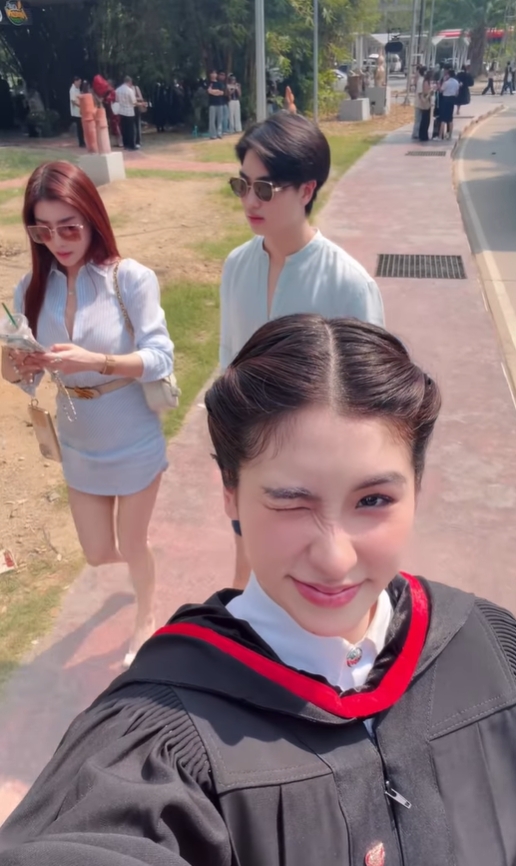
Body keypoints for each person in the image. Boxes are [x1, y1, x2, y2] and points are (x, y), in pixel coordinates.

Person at [5, 314, 516, 866]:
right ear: (230, 493)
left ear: (417, 487)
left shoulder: (488, 645)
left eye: (373, 501)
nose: (335, 558)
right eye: (291, 502)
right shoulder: (156, 736)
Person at [1, 162, 174, 667]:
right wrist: (16, 363)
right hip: (79, 438)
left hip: (133, 432)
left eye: (69, 227)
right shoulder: (31, 289)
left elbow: (160, 357)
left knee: (131, 542)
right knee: (98, 552)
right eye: (43, 230)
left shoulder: (130, 278)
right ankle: (142, 561)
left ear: (92, 218)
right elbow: (23, 379)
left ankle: (146, 614)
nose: (57, 241)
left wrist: (95, 360)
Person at [220, 112, 384, 588]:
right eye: (242, 185)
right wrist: (228, 457)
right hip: (250, 457)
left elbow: (369, 403)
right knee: (245, 565)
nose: (250, 200)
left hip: (317, 475)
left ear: (306, 190)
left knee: (306, 583)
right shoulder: (236, 265)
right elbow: (228, 362)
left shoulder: (349, 284)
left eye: (265, 189)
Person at [115, 76, 137, 150]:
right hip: (129, 112)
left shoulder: (117, 90)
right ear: (129, 82)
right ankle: (132, 145)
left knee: (124, 129)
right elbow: (133, 102)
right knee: (131, 130)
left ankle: (126, 144)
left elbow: (116, 100)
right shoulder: (129, 90)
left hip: (121, 111)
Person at [439, 67, 459, 140]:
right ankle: (450, 135)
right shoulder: (456, 82)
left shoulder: (446, 83)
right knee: (450, 119)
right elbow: (457, 93)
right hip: (452, 100)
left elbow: (441, 90)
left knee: (443, 119)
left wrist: (443, 82)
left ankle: (440, 136)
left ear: (449, 75)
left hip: (445, 99)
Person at [207, 70, 224, 139]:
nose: (214, 75)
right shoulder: (209, 83)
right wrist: (217, 91)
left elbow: (222, 92)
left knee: (220, 119)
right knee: (212, 120)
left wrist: (214, 92)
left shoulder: (219, 83)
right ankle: (212, 134)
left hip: (219, 103)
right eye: (212, 73)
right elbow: (209, 91)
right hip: (212, 104)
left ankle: (219, 133)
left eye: (215, 73)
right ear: (210, 75)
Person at [418, 70, 433, 141]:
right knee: (425, 120)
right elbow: (426, 92)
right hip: (426, 102)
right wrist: (430, 91)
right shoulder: (426, 82)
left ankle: (424, 135)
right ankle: (423, 135)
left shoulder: (426, 81)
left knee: (426, 120)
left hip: (427, 101)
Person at [131, 79, 147, 148]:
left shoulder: (135, 88)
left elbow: (140, 98)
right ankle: (132, 140)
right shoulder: (126, 89)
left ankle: (138, 141)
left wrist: (133, 98)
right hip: (129, 108)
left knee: (137, 124)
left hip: (136, 107)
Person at [411, 64, 426, 139]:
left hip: (420, 102)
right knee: (418, 119)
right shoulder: (421, 81)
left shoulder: (422, 80)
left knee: (419, 119)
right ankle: (415, 133)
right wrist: (423, 102)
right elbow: (420, 93)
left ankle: (417, 132)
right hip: (419, 103)